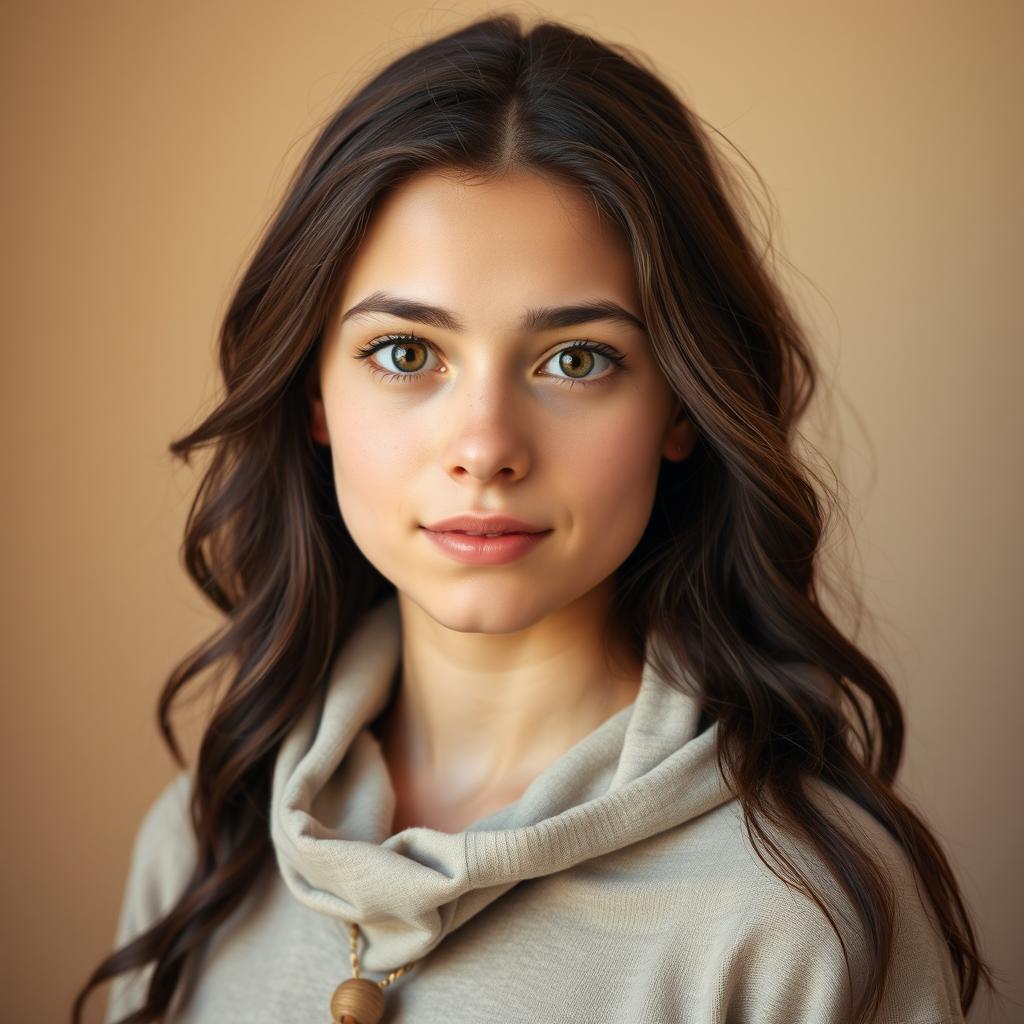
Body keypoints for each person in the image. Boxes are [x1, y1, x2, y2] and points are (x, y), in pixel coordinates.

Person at [72, 13, 994, 1024]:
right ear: (313, 394)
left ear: (679, 406)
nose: (485, 445)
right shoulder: (204, 839)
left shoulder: (802, 911)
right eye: (406, 352)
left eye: (575, 359)